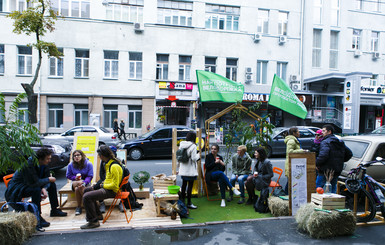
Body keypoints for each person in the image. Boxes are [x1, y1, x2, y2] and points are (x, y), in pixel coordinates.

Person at [5, 148, 67, 228]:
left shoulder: (44, 164)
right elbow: (34, 183)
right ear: (40, 159)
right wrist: (47, 180)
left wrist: (44, 188)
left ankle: (54, 209)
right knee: (36, 190)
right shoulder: (28, 165)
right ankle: (37, 216)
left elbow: (44, 178)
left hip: (33, 184)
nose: (49, 160)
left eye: (50, 158)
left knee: (52, 185)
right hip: (20, 187)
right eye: (48, 158)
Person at [81, 145, 123, 229]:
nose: (99, 157)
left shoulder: (114, 166)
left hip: (113, 191)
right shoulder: (109, 164)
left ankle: (93, 221)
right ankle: (97, 215)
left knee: (87, 197)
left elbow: (115, 185)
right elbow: (108, 179)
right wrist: (98, 185)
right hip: (107, 188)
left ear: (102, 156)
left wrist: (102, 185)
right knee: (87, 190)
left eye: (99, 155)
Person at [316, 124, 352, 193]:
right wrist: (340, 161)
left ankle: (317, 203)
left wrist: (317, 164)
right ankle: (332, 203)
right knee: (332, 189)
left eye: (324, 131)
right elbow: (349, 154)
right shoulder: (339, 142)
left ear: (329, 132)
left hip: (324, 170)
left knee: (318, 189)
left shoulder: (325, 142)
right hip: (336, 170)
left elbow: (323, 156)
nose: (322, 132)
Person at [66, 150, 94, 215]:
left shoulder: (88, 164)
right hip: (75, 182)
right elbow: (68, 175)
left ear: (82, 156)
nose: (76, 157)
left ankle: (79, 207)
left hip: (86, 182)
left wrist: (84, 182)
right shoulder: (70, 165)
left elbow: (90, 176)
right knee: (78, 184)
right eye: (75, 156)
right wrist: (74, 178)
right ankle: (88, 206)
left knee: (77, 189)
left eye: (78, 155)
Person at [177, 132, 200, 209]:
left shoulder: (182, 144)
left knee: (183, 185)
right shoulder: (193, 146)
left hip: (183, 169)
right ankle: (189, 203)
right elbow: (194, 158)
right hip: (190, 170)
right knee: (190, 186)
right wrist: (198, 155)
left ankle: (183, 202)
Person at [284, 127, 307, 194]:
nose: (299, 133)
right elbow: (290, 152)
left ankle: (288, 195)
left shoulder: (295, 140)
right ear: (294, 133)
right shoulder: (291, 141)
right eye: (298, 132)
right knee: (290, 182)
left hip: (295, 163)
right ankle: (287, 195)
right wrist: (302, 151)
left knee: (291, 182)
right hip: (291, 164)